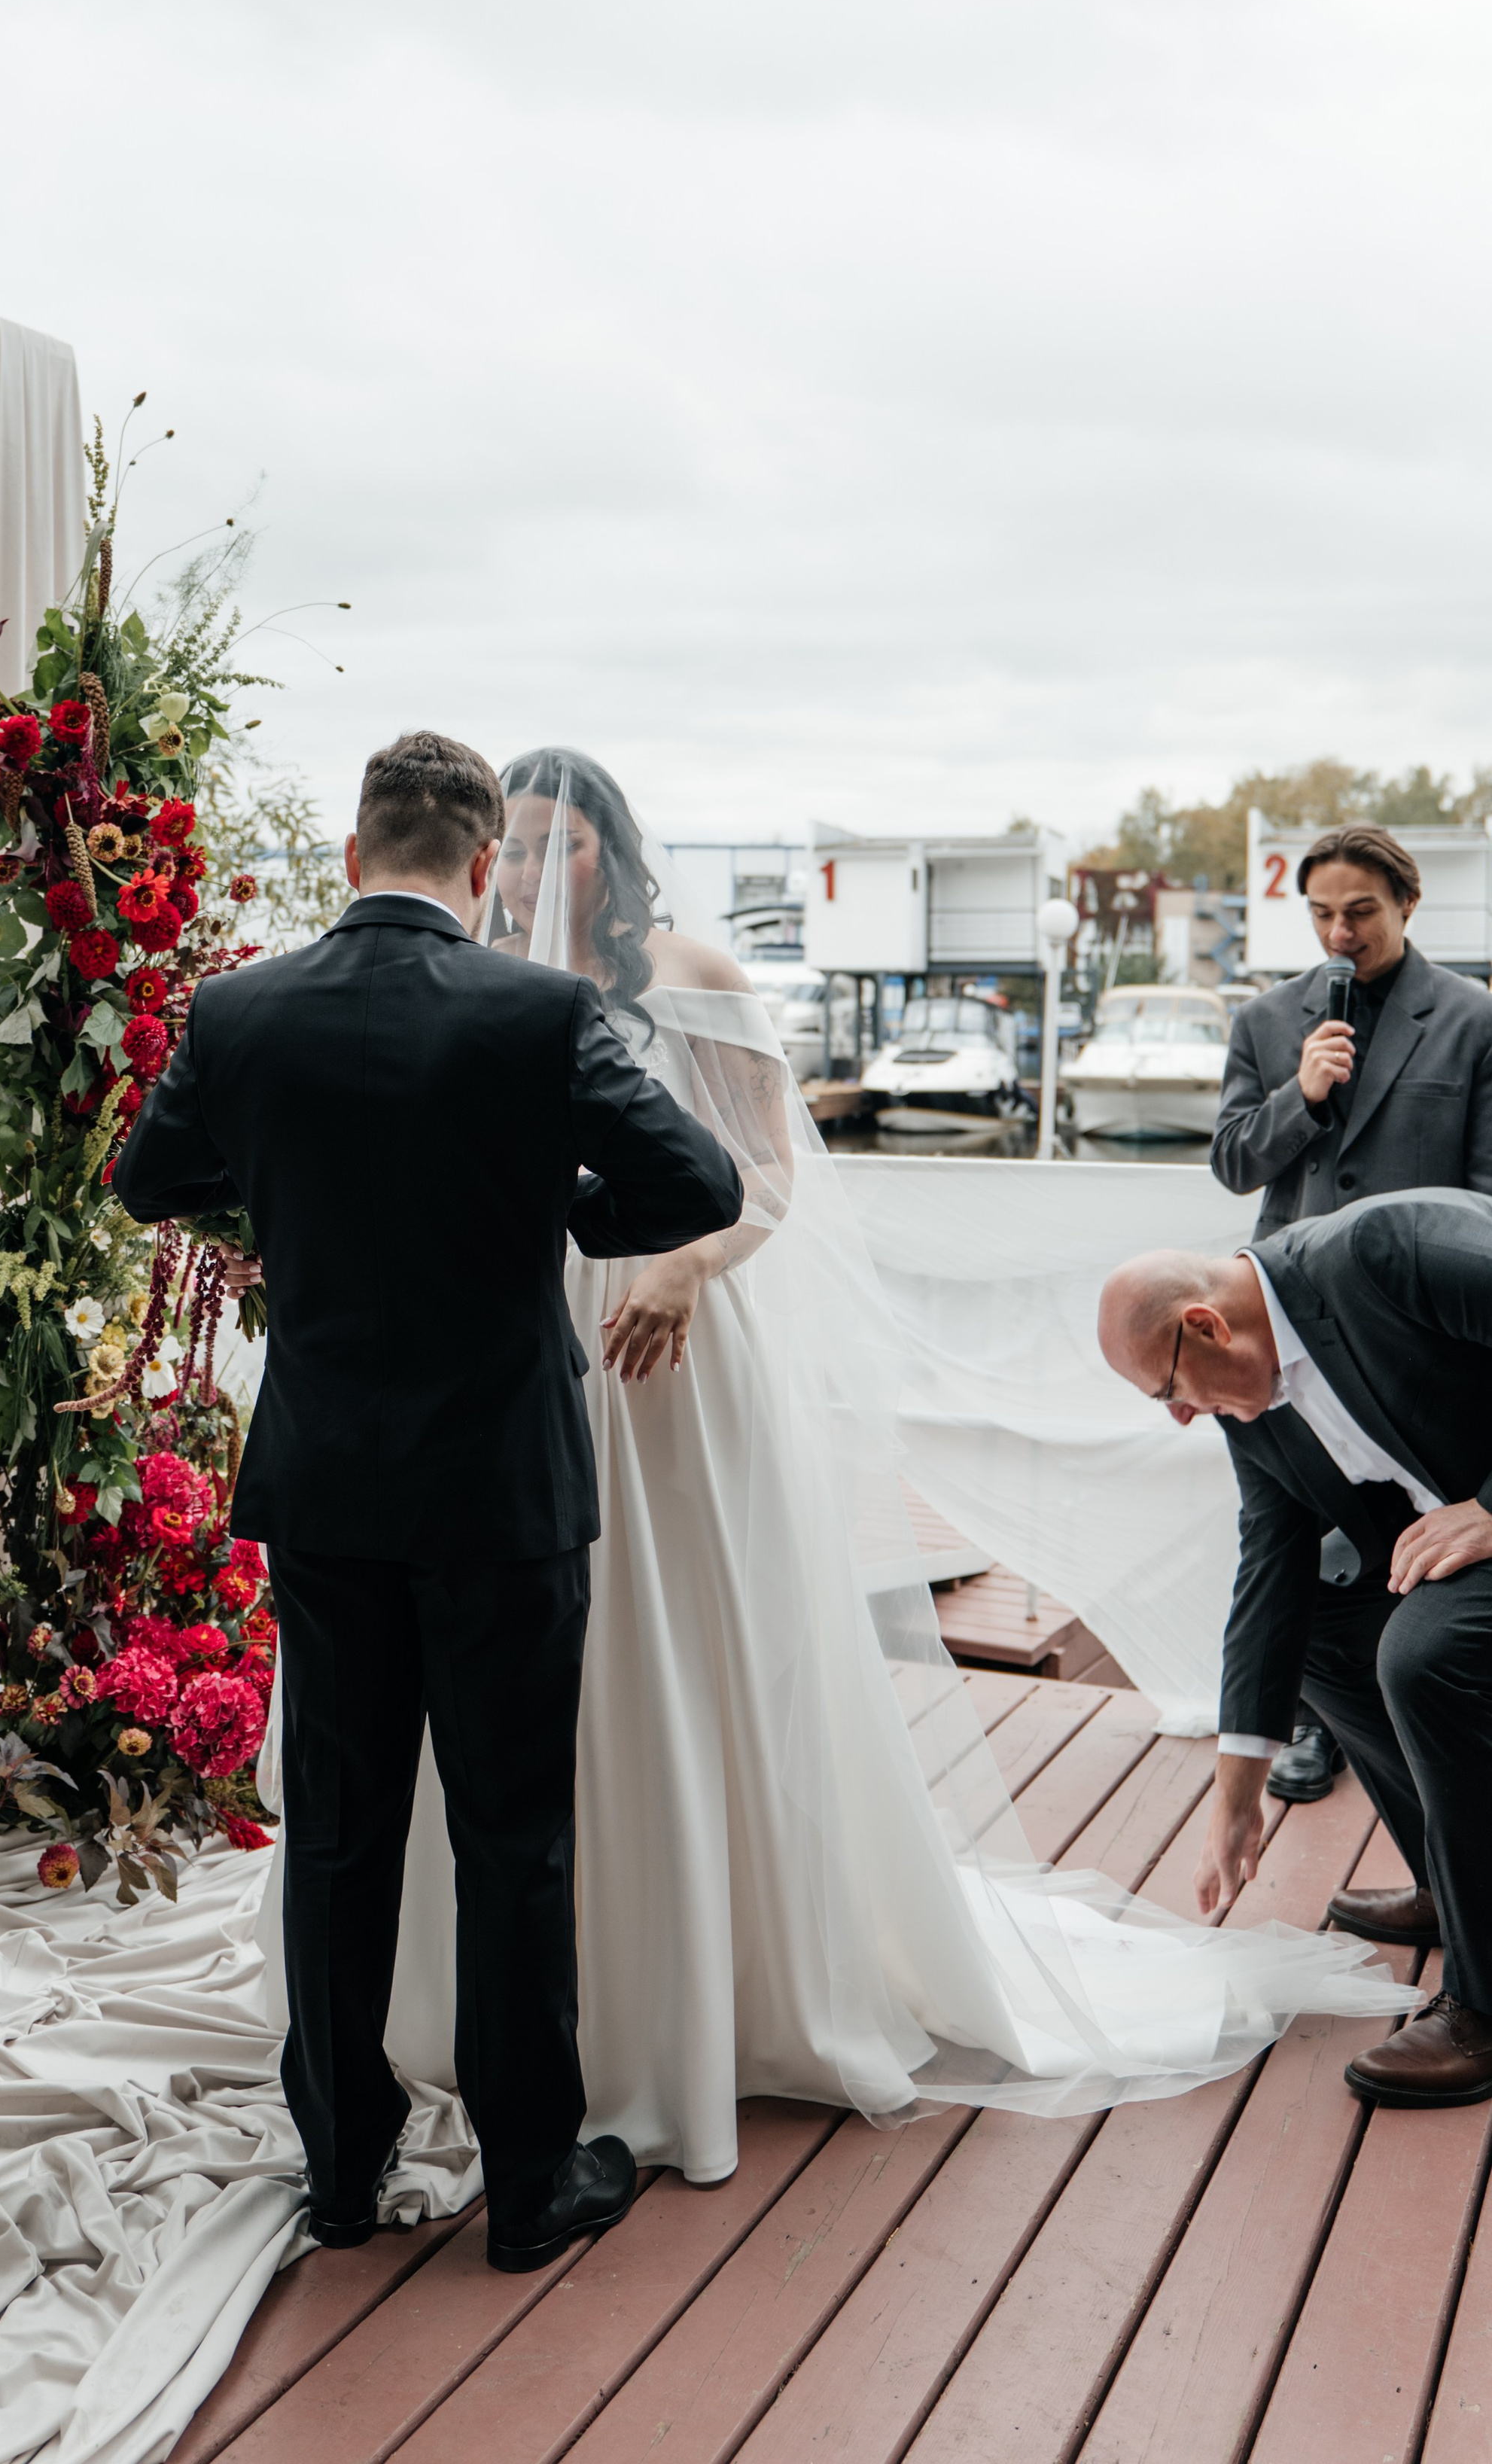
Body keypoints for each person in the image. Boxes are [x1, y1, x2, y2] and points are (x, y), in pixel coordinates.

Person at [360, 746, 1411, 2182]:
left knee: (673, 1649)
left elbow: (770, 1176)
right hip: (522, 1356)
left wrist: (682, 1264)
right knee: (531, 1658)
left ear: (615, 847)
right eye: (521, 851)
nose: (542, 878)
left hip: (676, 1350)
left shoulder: (688, 967)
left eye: (568, 848)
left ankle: (697, 1985)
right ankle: (514, 1995)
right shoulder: (474, 979)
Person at [112, 729, 744, 2272]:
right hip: (502, 1488)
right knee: (511, 1835)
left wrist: (296, 1207)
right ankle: (530, 2185)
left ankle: (339, 2166)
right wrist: (546, 1203)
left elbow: (146, 1179)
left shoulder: (240, 1008)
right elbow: (700, 1191)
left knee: (335, 1832)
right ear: (477, 869)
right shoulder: (541, 1010)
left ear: (350, 857)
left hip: (327, 1485)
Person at [1098, 1189, 1492, 2106]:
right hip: (1461, 1535)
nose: (1178, 1417)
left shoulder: (1382, 1252)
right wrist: (1234, 1796)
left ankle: (1483, 2006)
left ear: (1204, 1325)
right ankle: (1459, 1885)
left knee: (1421, 1655)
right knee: (1320, 1622)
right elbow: (1269, 1569)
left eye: (1166, 1390)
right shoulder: (1256, 1406)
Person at [1212, 825, 1492, 1824]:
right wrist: (1303, 1094)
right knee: (1308, 1552)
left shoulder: (1472, 1019)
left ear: (1407, 905)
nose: (1340, 931)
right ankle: (1319, 1727)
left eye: (1360, 912)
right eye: (1322, 912)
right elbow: (1235, 1162)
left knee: (1430, 1570)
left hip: (1422, 1331)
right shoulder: (1267, 1020)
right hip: (1289, 1324)